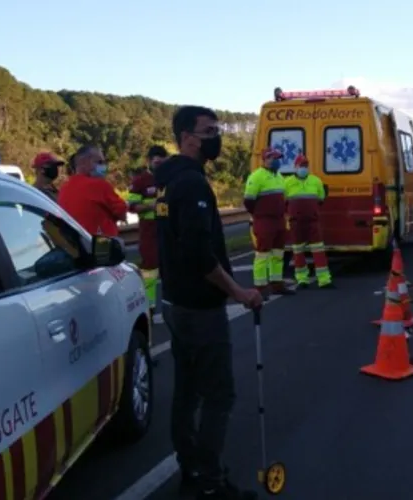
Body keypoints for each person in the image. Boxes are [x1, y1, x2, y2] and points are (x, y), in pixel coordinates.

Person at [156, 105, 263, 500]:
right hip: (199, 308)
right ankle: (211, 481)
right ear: (187, 137)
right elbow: (198, 254)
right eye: (209, 131)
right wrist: (238, 292)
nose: (217, 137)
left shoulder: (167, 181)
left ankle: (190, 466)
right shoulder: (191, 185)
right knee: (219, 395)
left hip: (175, 301)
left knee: (187, 391)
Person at [244, 148, 295, 297]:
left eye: (278, 158)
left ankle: (277, 284)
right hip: (264, 220)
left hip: (278, 220)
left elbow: (284, 198)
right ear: (265, 159)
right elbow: (248, 201)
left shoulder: (279, 176)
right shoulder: (257, 176)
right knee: (262, 254)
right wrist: (259, 214)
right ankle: (260, 287)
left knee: (278, 254)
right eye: (274, 158)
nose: (277, 161)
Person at [283, 154, 334, 289]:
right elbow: (283, 202)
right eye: (301, 166)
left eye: (306, 166)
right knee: (298, 252)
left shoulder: (316, 181)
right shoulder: (287, 183)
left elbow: (321, 198)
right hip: (296, 223)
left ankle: (324, 280)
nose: (304, 168)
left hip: (312, 222)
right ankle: (302, 279)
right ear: (295, 167)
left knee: (319, 251)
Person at [127, 145, 168, 310]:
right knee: (150, 269)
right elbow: (132, 206)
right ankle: (148, 307)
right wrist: (151, 206)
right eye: (157, 163)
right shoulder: (140, 181)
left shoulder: (169, 178)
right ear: (149, 162)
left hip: (167, 229)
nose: (160, 166)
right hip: (149, 231)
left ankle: (171, 305)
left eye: (162, 163)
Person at [57, 144, 127, 237]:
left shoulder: (64, 189)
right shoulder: (99, 185)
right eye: (99, 162)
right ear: (84, 162)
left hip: (75, 243)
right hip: (101, 243)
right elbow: (122, 213)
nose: (103, 166)